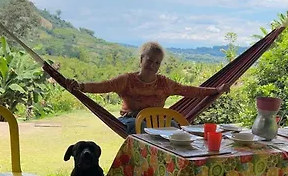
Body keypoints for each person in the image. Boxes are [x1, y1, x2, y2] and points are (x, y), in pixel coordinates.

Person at [65, 41, 229, 134]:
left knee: (177, 130)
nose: (152, 65)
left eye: (157, 62)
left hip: (157, 120)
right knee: (144, 128)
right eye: (149, 60)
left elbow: (189, 90)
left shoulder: (164, 83)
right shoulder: (127, 80)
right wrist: (80, 86)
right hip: (131, 121)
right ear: (141, 59)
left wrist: (216, 90)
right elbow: (103, 86)